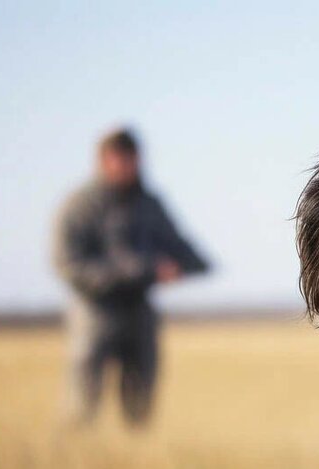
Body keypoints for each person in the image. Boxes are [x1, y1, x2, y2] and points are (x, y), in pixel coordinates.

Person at [53, 128, 209, 427]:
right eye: (119, 159)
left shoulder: (148, 204)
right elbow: (67, 263)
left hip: (139, 310)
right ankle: (70, 458)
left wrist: (191, 265)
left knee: (140, 400)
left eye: (132, 159)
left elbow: (177, 244)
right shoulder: (80, 206)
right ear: (102, 161)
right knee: (82, 399)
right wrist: (139, 271)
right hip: (94, 310)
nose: (127, 166)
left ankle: (134, 458)